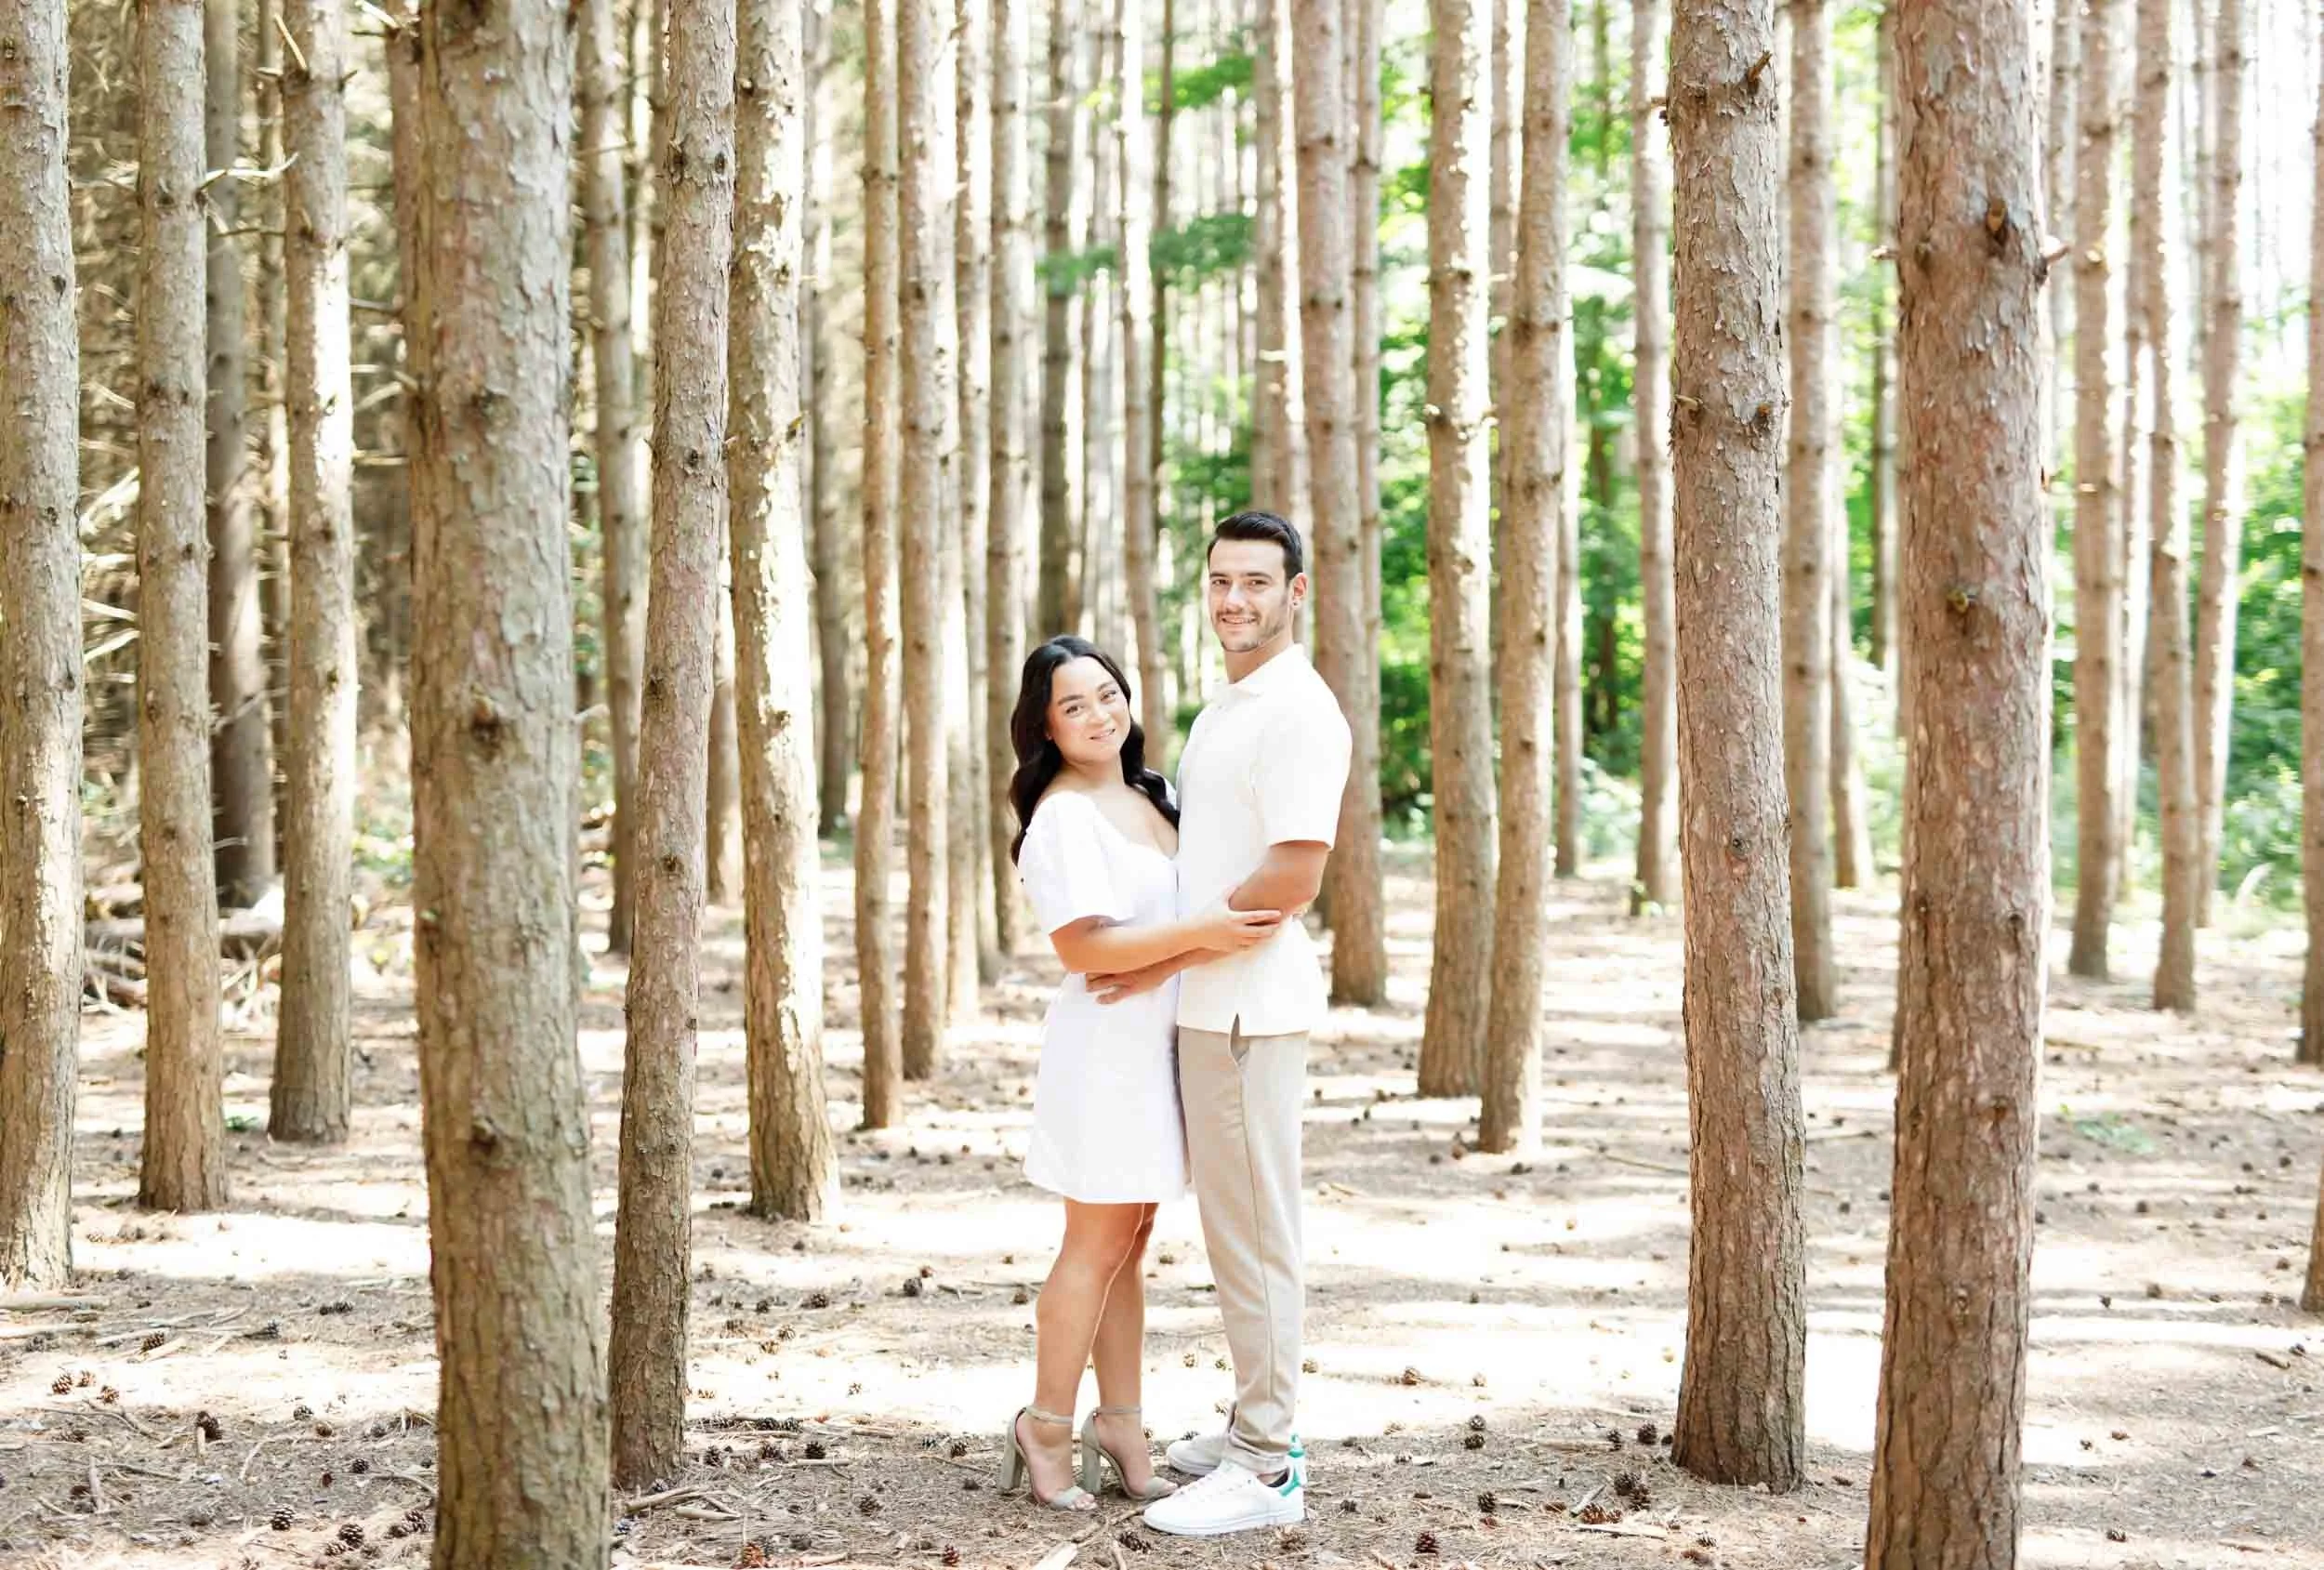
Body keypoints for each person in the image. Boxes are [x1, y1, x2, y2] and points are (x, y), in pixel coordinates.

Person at [1088, 511, 1351, 1537]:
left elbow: (1291, 876)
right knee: (1233, 1233)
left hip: (1249, 1009)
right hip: (1208, 1006)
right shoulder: (1230, 707)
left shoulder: (1297, 712)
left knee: (1255, 1237)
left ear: (1295, 592)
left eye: (1256, 582)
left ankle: (1271, 1466)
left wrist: (1165, 955)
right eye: (1220, 581)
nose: (1234, 599)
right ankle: (1252, 1424)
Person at [997, 635, 1287, 1512]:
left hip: (1162, 1039)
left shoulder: (1149, 794)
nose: (1098, 713)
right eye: (1073, 704)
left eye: (1107, 693)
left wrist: (1191, 948)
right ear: (1045, 727)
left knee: (1131, 1247)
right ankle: (1045, 1423)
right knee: (1094, 1242)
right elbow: (1082, 947)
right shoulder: (1063, 815)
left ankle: (1120, 1423)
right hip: (1107, 1047)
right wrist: (1200, 937)